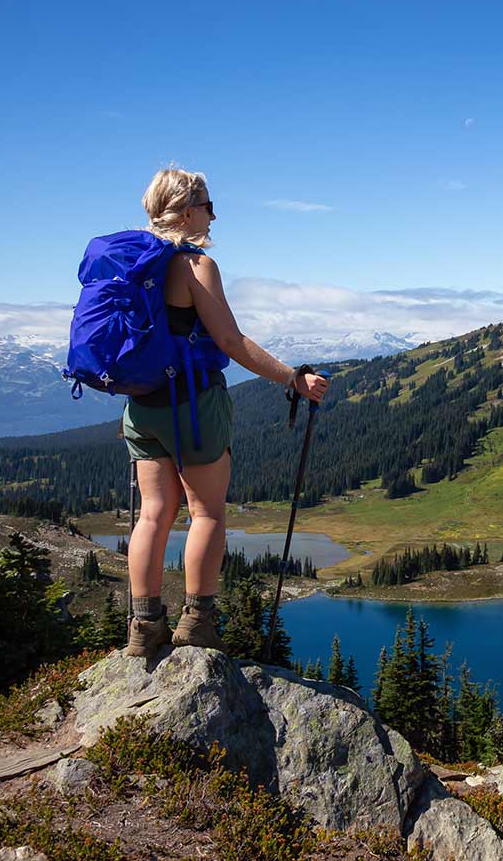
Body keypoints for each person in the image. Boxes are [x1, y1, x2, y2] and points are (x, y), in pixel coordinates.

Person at [122, 167, 328, 657]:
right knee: (207, 512)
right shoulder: (194, 266)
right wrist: (292, 378)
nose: (215, 214)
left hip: (142, 405)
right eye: (209, 204)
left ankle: (144, 627)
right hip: (192, 404)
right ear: (188, 210)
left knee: (152, 514)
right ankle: (197, 622)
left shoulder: (132, 263)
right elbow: (230, 341)